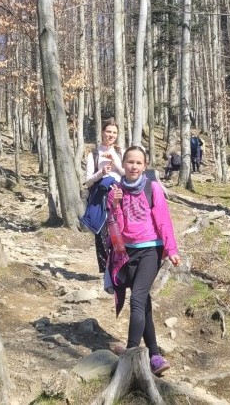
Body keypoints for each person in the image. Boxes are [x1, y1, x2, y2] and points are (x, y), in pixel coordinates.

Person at [107, 146, 181, 375]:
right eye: (130, 162)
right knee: (143, 300)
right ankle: (155, 355)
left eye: (139, 163)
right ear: (123, 164)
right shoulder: (116, 190)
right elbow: (116, 225)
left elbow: (163, 220)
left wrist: (171, 249)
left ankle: (130, 354)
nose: (134, 166)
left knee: (137, 299)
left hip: (151, 249)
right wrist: (115, 204)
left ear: (145, 166)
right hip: (127, 252)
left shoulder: (153, 187)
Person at [84, 118, 124, 272]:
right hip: (100, 197)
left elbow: (126, 174)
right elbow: (88, 182)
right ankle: (106, 270)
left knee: (119, 229)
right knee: (101, 232)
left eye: (114, 132)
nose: (111, 135)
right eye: (108, 131)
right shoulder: (93, 154)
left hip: (119, 195)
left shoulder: (121, 152)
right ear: (102, 132)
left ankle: (120, 266)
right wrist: (101, 172)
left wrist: (115, 161)